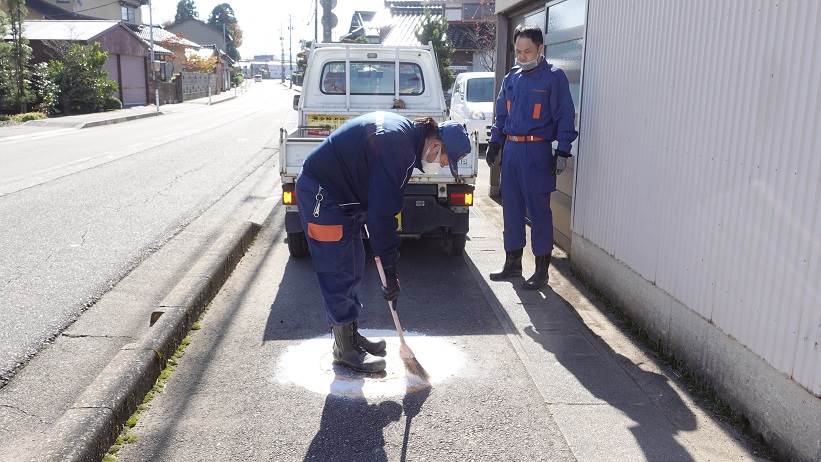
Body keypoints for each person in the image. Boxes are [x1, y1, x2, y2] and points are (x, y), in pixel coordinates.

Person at [296, 111, 471, 373]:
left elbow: (380, 200)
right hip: (323, 196)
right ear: (436, 145)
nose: (443, 166)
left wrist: (389, 267)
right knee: (337, 271)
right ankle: (344, 350)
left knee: (353, 263)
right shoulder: (398, 148)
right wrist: (390, 271)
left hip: (344, 197)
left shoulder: (406, 140)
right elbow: (382, 215)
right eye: (446, 161)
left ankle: (350, 337)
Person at [485, 24, 578, 290]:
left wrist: (563, 149)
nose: (522, 56)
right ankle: (512, 263)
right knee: (511, 207)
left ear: (540, 48)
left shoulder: (553, 77)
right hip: (512, 151)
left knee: (539, 211)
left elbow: (564, 115)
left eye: (527, 51)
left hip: (537, 151)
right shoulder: (511, 78)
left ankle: (541, 270)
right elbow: (502, 114)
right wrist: (495, 142)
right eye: (518, 51)